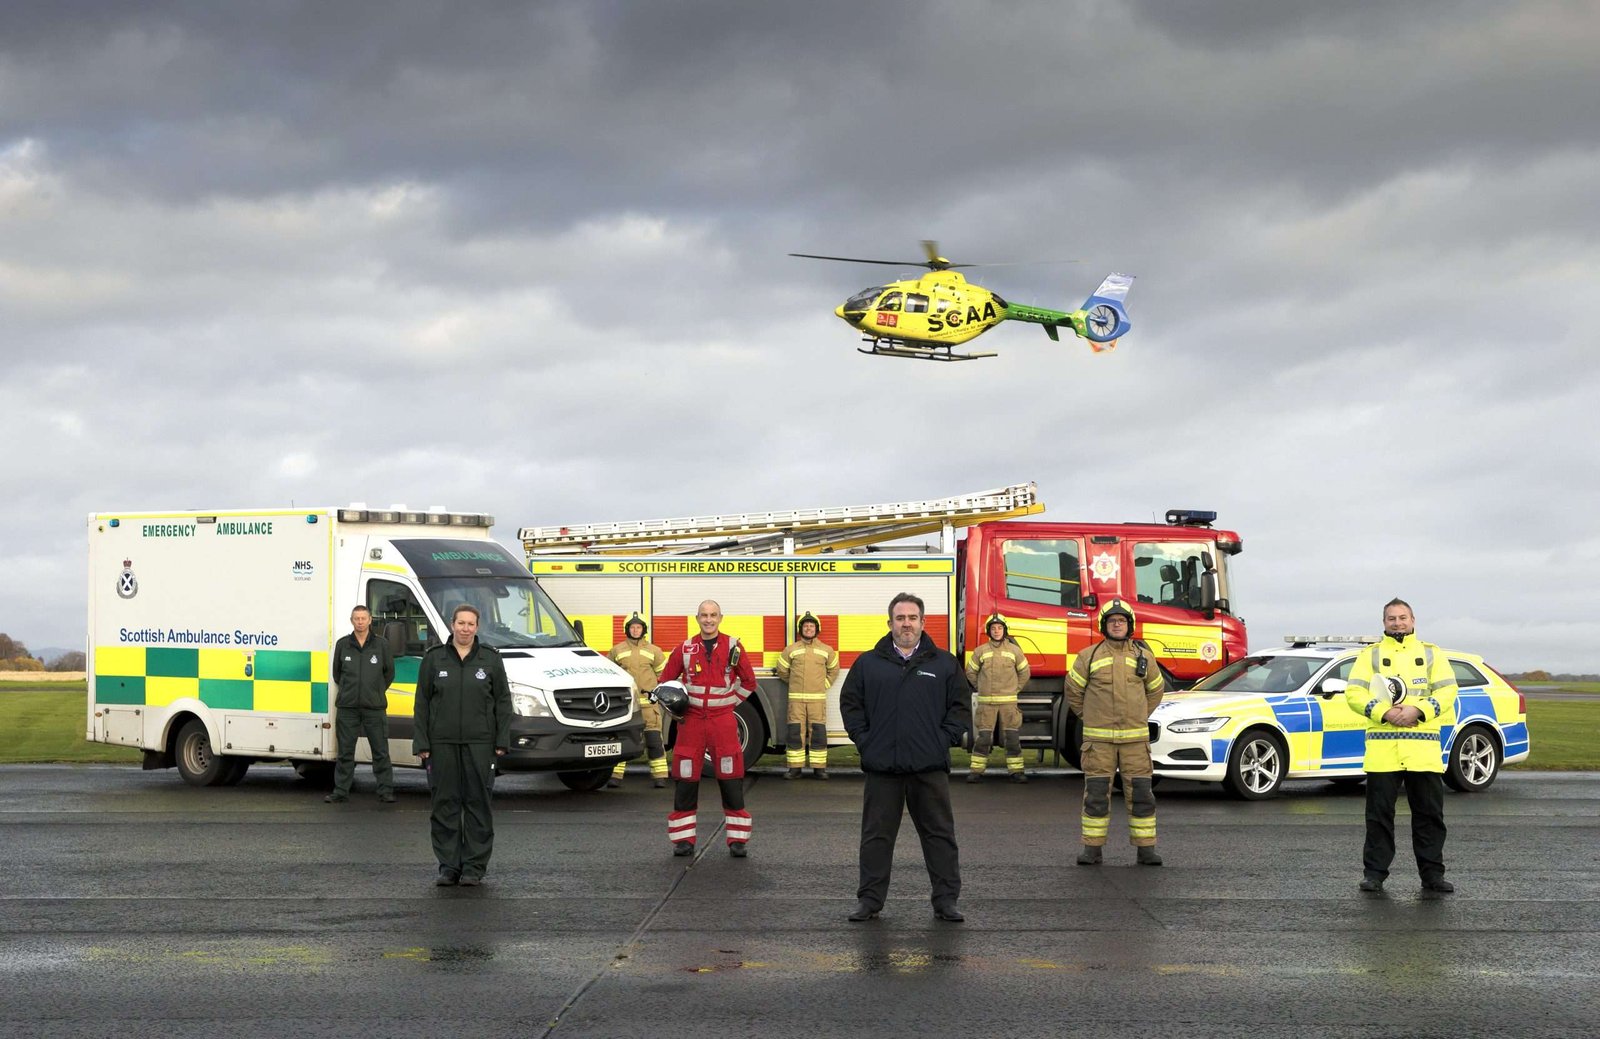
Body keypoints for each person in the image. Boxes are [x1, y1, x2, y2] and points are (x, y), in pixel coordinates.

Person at [840, 592, 971, 923]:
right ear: (890, 623)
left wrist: (943, 741)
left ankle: (946, 901)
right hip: (883, 769)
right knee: (876, 837)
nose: (906, 624)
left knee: (940, 836)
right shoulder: (868, 663)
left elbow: (960, 708)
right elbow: (850, 705)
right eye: (900, 618)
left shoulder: (943, 663)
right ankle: (869, 901)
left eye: (912, 618)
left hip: (929, 769)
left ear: (923, 623)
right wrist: (866, 742)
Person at [1344, 598, 1459, 895]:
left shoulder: (1432, 654)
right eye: (1391, 618)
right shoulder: (1370, 655)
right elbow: (1354, 692)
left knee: (1430, 817)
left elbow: (1448, 692)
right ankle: (1374, 874)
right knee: (1379, 817)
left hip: (1423, 751)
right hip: (1383, 752)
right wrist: (1384, 712)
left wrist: (1418, 710)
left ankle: (1433, 876)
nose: (1397, 623)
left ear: (1413, 620)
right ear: (1384, 623)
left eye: (1402, 617)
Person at [412, 604, 512, 887]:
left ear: (477, 627)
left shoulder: (490, 659)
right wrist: (421, 741)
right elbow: (422, 702)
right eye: (460, 623)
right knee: (445, 805)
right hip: (441, 744)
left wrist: (502, 740)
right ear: (452, 625)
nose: (465, 628)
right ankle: (449, 866)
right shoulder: (434, 659)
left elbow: (503, 702)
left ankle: (474, 867)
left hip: (480, 745)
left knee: (478, 805)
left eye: (470, 624)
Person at [1066, 598, 1167, 866]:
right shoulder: (1088, 657)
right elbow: (1073, 692)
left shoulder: (1144, 657)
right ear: (1104, 625)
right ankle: (1092, 850)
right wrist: (1090, 716)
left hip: (1135, 741)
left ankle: (1146, 850)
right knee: (1096, 796)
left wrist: (1139, 714)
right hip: (1099, 743)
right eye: (1112, 621)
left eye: (1121, 621)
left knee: (1143, 795)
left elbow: (1156, 690)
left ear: (1129, 625)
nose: (1117, 624)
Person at [658, 600, 757, 857]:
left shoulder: (734, 646)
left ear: (720, 618)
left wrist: (728, 705)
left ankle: (737, 840)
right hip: (691, 723)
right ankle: (683, 840)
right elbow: (665, 681)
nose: (709, 620)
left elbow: (749, 681)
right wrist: (675, 707)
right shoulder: (685, 648)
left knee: (730, 776)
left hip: (722, 722)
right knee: (686, 777)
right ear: (697, 618)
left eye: (713, 615)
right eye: (704, 615)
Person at [327, 605, 396, 804]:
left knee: (380, 751)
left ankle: (385, 791)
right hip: (348, 707)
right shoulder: (343, 644)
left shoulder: (381, 644)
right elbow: (337, 673)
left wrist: (374, 691)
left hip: (374, 707)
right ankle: (340, 791)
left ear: (370, 620)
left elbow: (389, 673)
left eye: (363, 618)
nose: (360, 622)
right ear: (351, 620)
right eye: (356, 618)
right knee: (345, 752)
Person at [965, 614, 1031, 784]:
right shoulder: (980, 651)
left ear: (1004, 630)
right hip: (987, 704)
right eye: (993, 628)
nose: (996, 631)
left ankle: (1016, 772)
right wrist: (981, 687)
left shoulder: (1014, 651)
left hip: (1008, 704)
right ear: (989, 631)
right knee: (983, 738)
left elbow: (1025, 672)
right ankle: (976, 771)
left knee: (1012, 738)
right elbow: (970, 672)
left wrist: (1015, 689)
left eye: (999, 628)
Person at [607, 614, 669, 788]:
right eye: (632, 627)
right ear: (627, 629)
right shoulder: (617, 650)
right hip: (625, 705)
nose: (635, 630)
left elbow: (663, 676)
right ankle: (615, 776)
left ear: (644, 629)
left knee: (654, 741)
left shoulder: (654, 651)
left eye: (639, 627)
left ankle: (660, 776)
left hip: (649, 707)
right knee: (621, 739)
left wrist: (658, 695)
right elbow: (609, 675)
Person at [776, 612, 840, 780]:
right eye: (806, 626)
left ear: (817, 629)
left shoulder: (826, 650)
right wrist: (793, 682)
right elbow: (782, 669)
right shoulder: (791, 650)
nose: (809, 628)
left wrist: (823, 685)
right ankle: (794, 769)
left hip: (817, 701)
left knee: (818, 734)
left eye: (811, 626)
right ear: (801, 629)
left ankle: (819, 769)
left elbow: (834, 670)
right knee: (795, 734)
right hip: (796, 701)